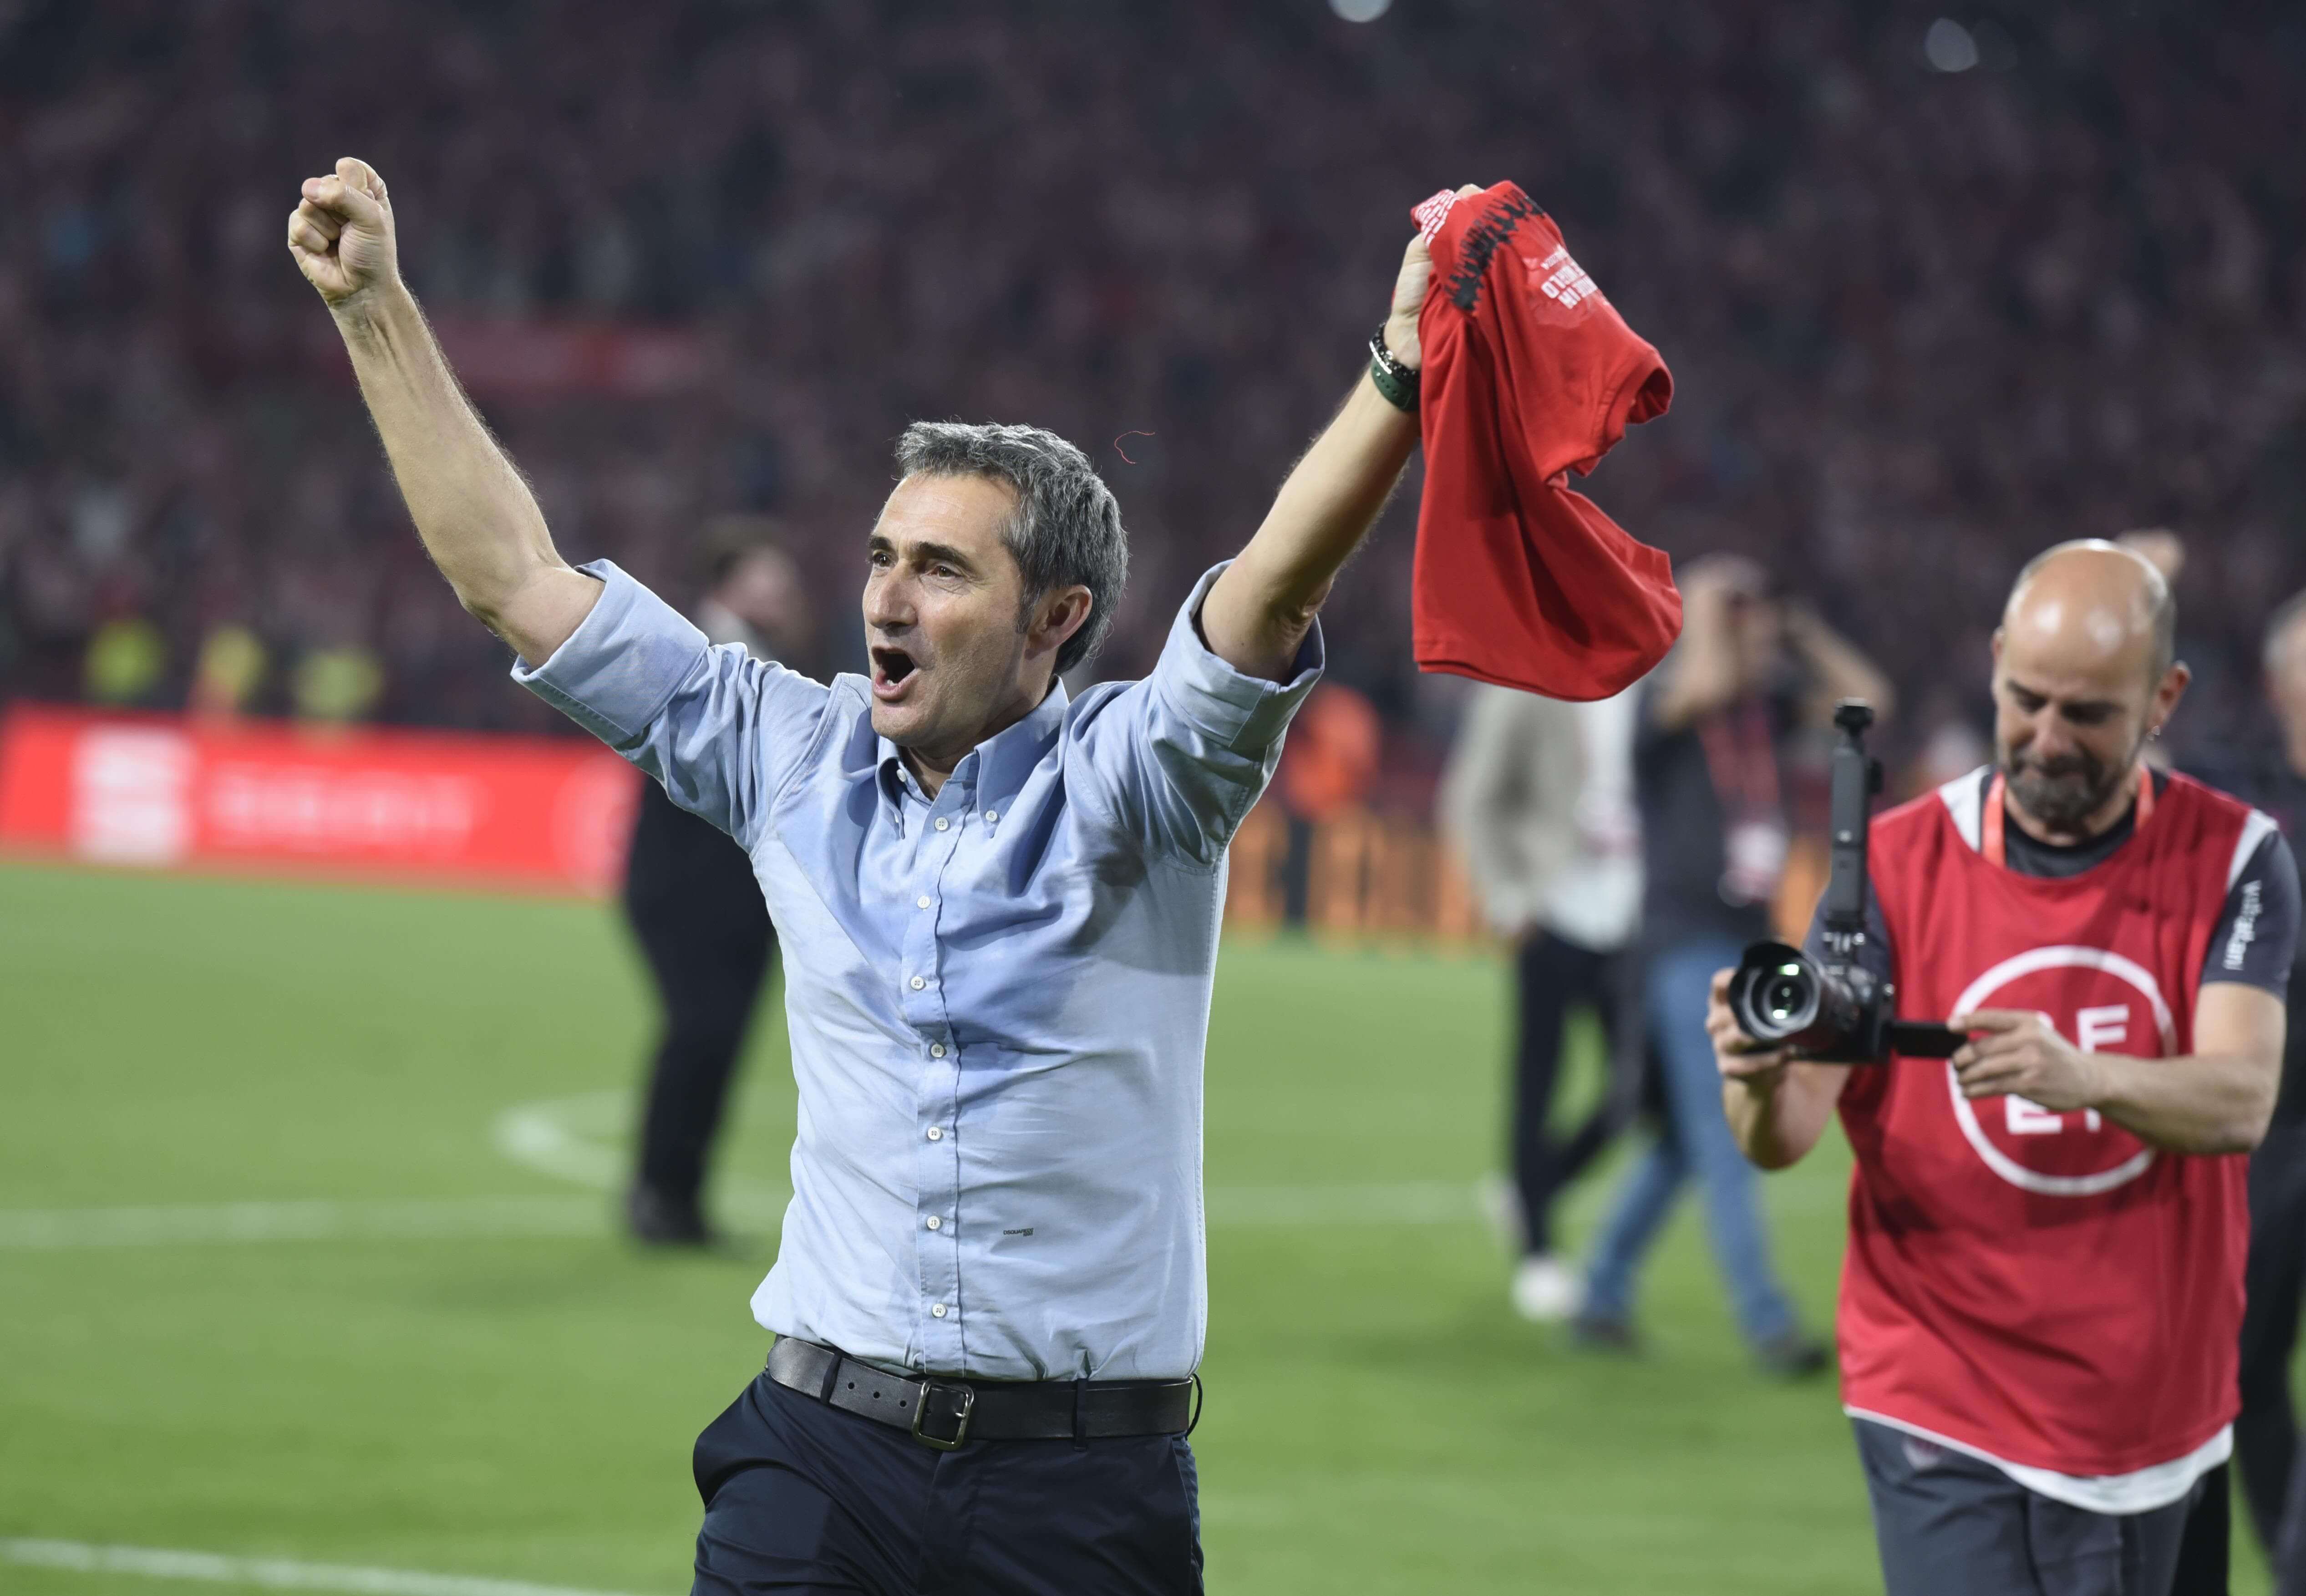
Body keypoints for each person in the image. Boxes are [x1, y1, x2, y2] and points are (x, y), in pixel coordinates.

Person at [290, 161, 1566, 1593]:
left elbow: (1268, 590)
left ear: (1056, 619)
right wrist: (375, 311)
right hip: (821, 1456)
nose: (887, 599)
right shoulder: (785, 747)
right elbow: (511, 578)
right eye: (882, 558)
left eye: (943, 571)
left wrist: (1399, 371)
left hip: (1081, 1493)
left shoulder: (1144, 782)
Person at [1714, 542, 2297, 1596]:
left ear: (2163, 697)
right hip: (1935, 1389)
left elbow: (2240, 1097)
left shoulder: (2239, 858)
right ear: (1992, 664)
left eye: (2089, 715)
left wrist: (2089, 1076)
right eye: (2025, 700)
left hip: (2143, 1417)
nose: (2047, 739)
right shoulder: (1889, 864)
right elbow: (1785, 1132)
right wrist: (1755, 1076)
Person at [1574, 554, 1890, 1374]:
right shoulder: (1664, 706)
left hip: (1747, 942)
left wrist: (1800, 627)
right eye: (1738, 618)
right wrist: (1708, 611)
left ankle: (1599, 1288)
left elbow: (1870, 700)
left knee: (1685, 1139)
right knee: (1723, 1132)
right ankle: (1767, 1321)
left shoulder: (1762, 710)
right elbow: (1700, 687)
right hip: (1679, 948)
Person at [622, 522, 815, 1247]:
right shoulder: (708, 656)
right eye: (768, 577)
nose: (784, 591)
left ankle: (676, 1197)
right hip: (688, 892)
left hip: (731, 899)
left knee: (714, 1040)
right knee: (701, 1033)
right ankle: (659, 1194)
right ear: (727, 586)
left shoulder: (767, 660)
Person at [1440, 683, 1643, 1322]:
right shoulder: (1526, 684)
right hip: (1551, 906)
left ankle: (1535, 1188)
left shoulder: (1652, 685)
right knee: (1538, 1079)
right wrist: (1505, 896)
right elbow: (1472, 797)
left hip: (1632, 915)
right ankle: (1537, 1252)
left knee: (1642, 1088)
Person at [2194, 590, 2306, 1579]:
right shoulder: (2241, 804)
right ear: (2279, 686)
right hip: (2273, 1128)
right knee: (2244, 1364)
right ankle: (2285, 1549)